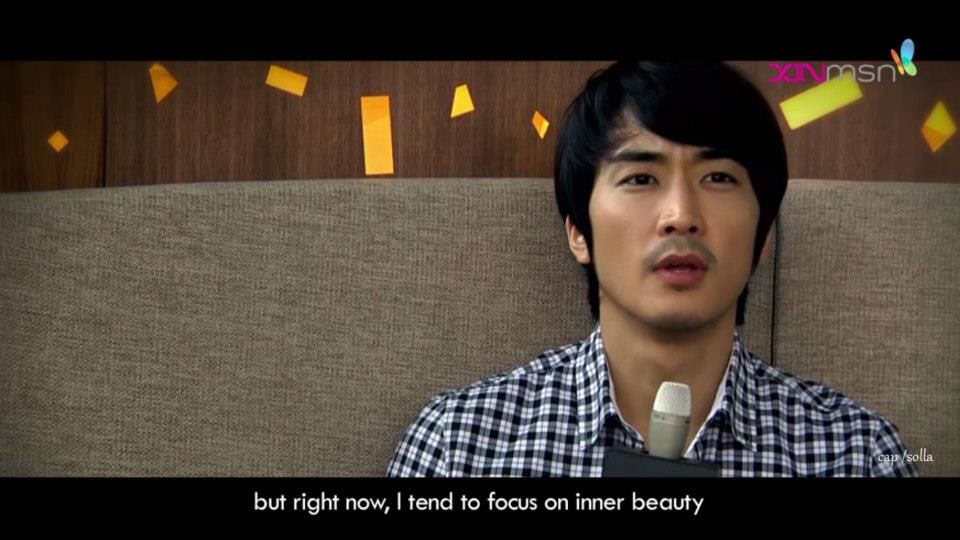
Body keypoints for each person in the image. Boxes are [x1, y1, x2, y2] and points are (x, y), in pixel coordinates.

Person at [386, 61, 918, 477]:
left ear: (763, 238)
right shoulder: (459, 444)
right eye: (641, 179)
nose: (681, 215)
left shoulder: (860, 454)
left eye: (719, 178)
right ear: (578, 232)